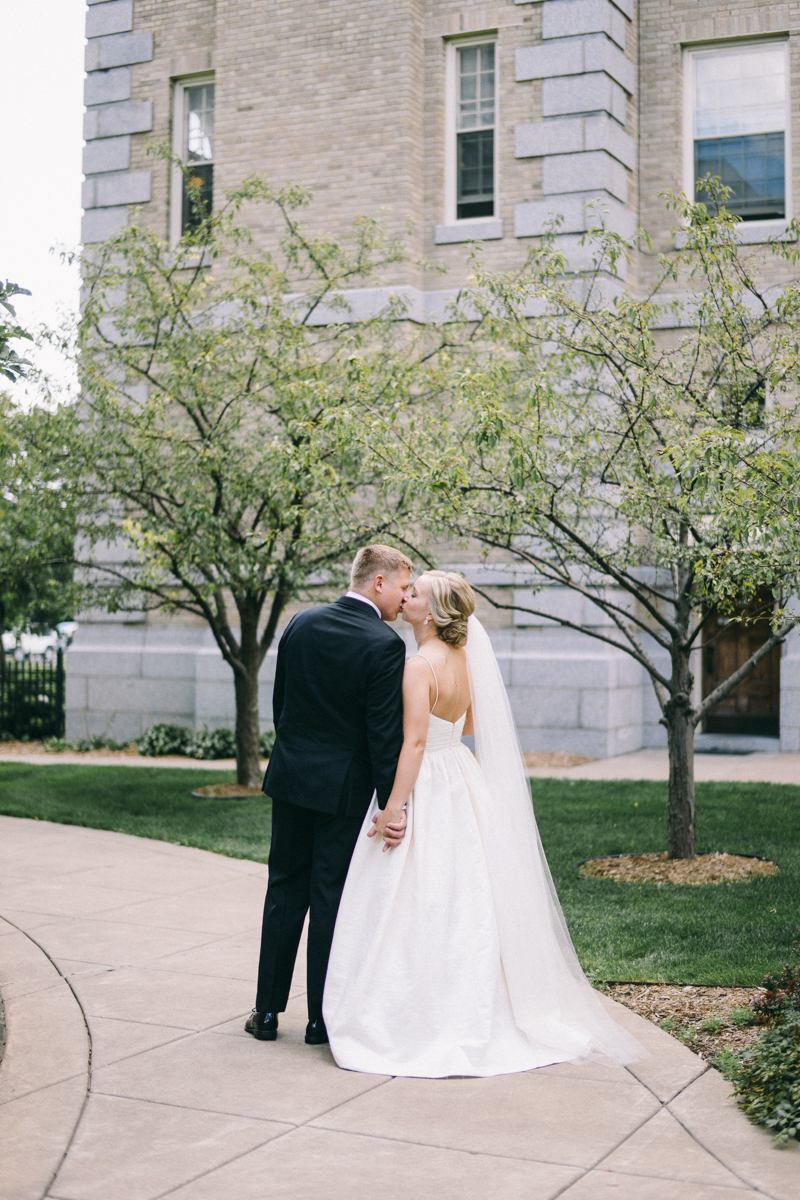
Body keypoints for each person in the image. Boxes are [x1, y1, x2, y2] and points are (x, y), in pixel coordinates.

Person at [323, 571, 646, 1076]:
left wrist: (394, 808)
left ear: (429, 614)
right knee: (466, 892)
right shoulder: (462, 659)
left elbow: (413, 744)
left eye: (415, 593)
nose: (405, 596)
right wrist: (442, 738)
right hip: (460, 775)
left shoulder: (419, 666)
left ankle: (415, 1015)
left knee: (418, 896)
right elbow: (469, 723)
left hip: (428, 780)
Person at [245, 545, 412, 1046]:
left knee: (283, 892)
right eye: (403, 587)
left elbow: (282, 706)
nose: (405, 599)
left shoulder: (301, 623)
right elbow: (383, 736)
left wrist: (294, 758)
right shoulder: (385, 645)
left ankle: (267, 1013)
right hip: (343, 792)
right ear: (377, 583)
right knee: (329, 900)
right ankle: (320, 1020)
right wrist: (392, 804)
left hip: (292, 780)